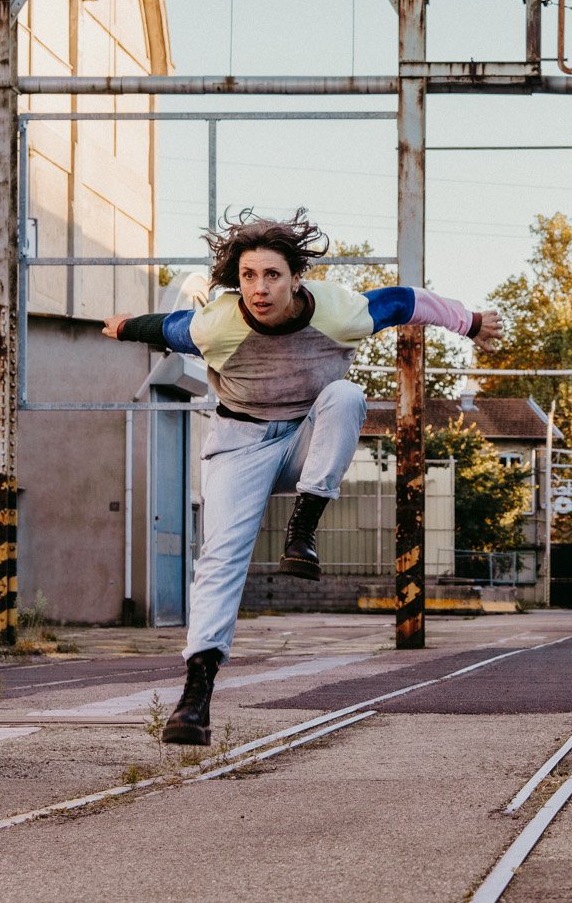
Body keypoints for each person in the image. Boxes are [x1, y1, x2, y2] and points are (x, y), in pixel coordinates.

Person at [103, 209, 501, 745]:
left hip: (304, 441)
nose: (260, 290)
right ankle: (196, 695)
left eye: (272, 276)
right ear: (236, 281)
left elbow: (408, 301)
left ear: (295, 278)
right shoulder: (216, 324)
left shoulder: (339, 313)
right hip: (239, 445)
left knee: (346, 395)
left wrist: (470, 322)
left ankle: (304, 528)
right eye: (248, 277)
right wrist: (125, 327)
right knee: (220, 557)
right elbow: (164, 328)